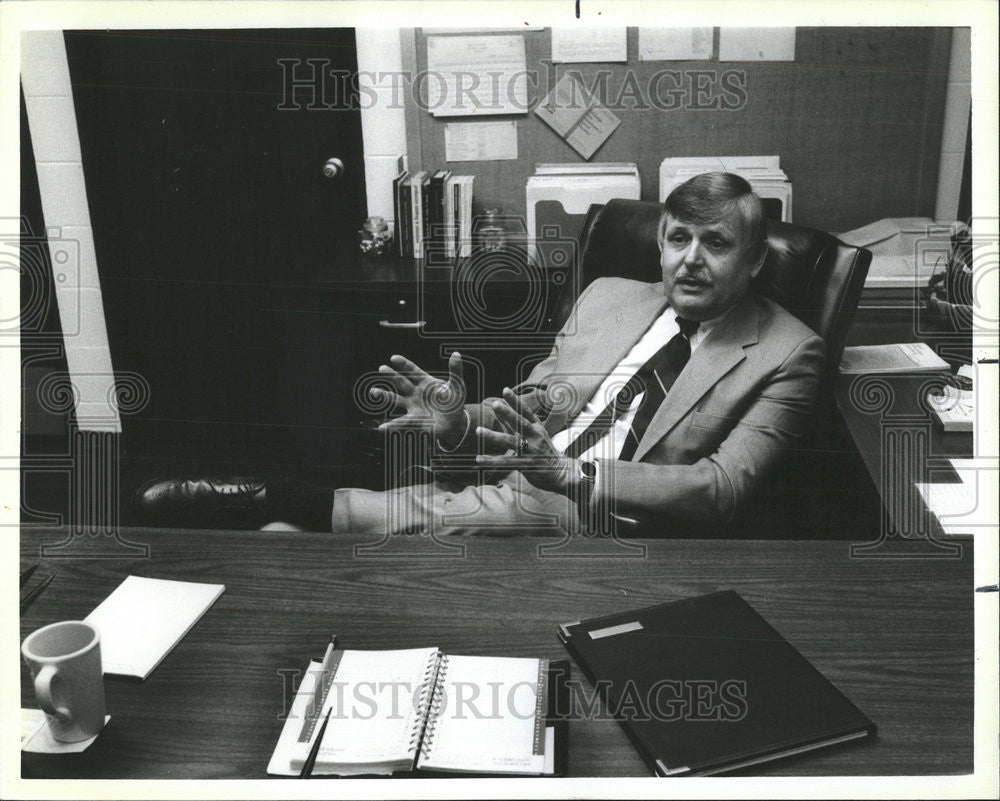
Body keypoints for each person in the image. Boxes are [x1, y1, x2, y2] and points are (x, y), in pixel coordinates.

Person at [134, 172, 825, 537]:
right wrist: (459, 420)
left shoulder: (790, 351)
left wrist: (573, 474)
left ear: (757, 258)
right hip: (527, 483)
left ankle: (268, 497)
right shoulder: (613, 295)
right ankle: (281, 516)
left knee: (411, 518)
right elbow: (534, 405)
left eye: (716, 243)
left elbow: (721, 490)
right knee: (383, 521)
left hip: (608, 517)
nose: (691, 260)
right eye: (678, 239)